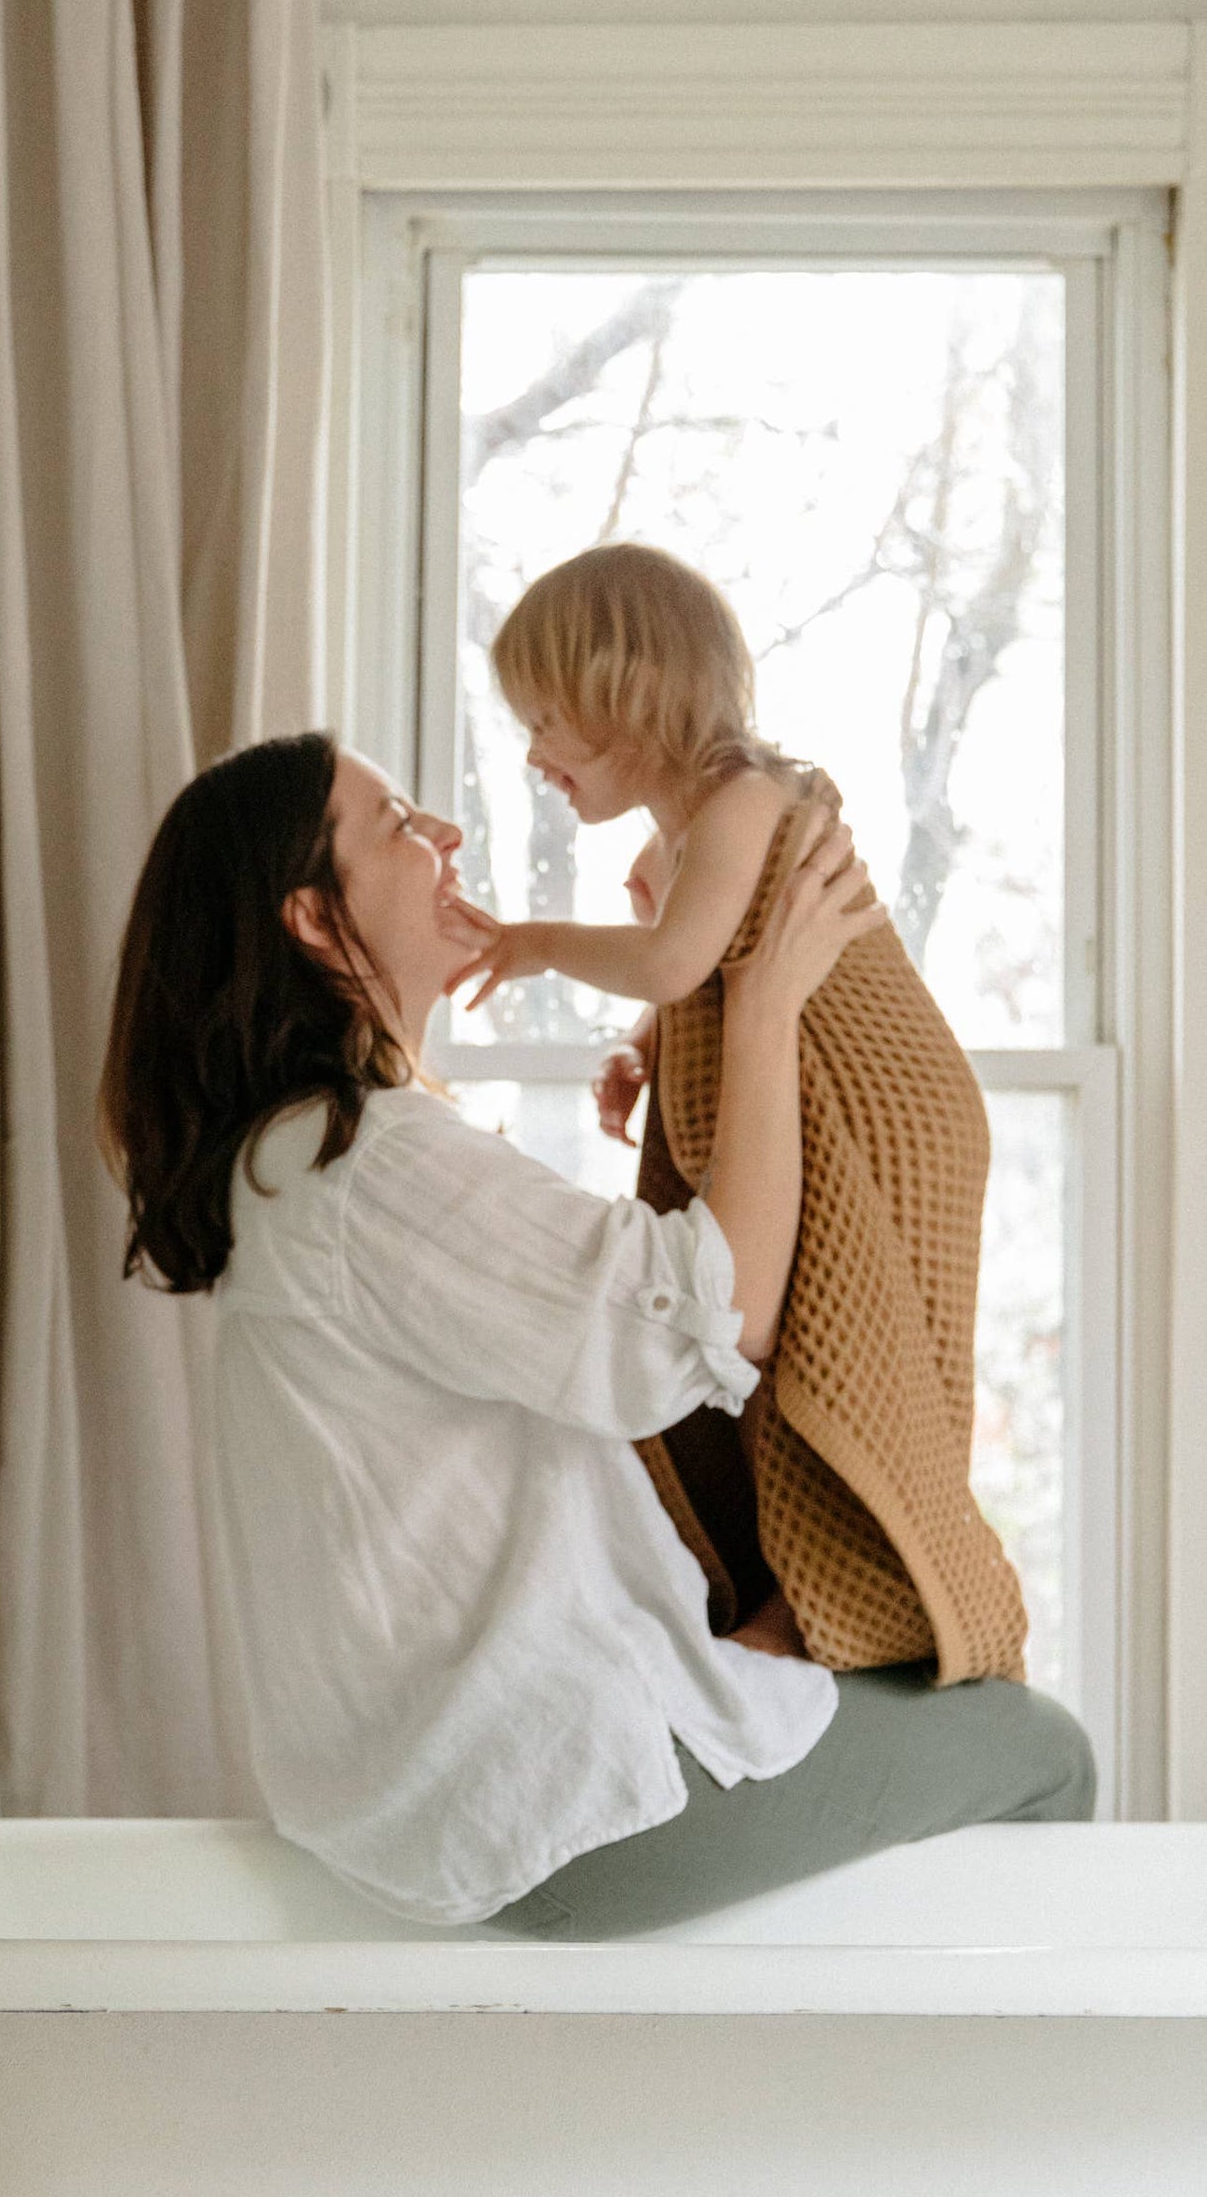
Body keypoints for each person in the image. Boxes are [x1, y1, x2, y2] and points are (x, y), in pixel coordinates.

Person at [98, 731, 1093, 1938]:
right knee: (1040, 1757)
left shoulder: (298, 1165)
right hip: (545, 1796)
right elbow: (707, 1319)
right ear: (313, 920)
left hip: (429, 1784)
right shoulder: (363, 1161)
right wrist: (762, 1000)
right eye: (398, 822)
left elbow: (595, 1357)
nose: (446, 837)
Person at [453, 540, 1028, 1686]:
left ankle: (853, 1595)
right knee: (777, 1361)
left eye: (547, 720)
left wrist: (529, 944)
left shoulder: (743, 800)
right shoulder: (685, 834)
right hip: (840, 1103)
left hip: (891, 1116)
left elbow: (676, 960)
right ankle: (793, 1585)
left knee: (853, 1351)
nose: (531, 755)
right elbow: (710, 981)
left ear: (627, 697)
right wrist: (646, 1053)